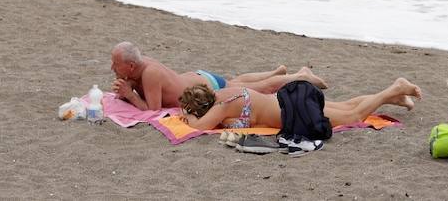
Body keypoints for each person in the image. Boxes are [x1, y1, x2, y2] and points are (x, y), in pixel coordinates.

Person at [109, 41, 327, 110]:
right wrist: (126, 90)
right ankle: (276, 72)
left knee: (263, 89)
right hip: (199, 79)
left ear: (130, 65)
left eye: (115, 64)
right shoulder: (138, 67)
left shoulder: (149, 74)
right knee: (235, 81)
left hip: (207, 88)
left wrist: (131, 95)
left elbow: (153, 111)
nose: (112, 68)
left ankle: (302, 76)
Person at [178, 77, 421, 130]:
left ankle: (395, 88)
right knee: (347, 105)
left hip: (294, 111)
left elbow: (198, 127)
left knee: (353, 117)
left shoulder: (221, 107)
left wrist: (187, 116)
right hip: (291, 98)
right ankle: (391, 97)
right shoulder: (224, 92)